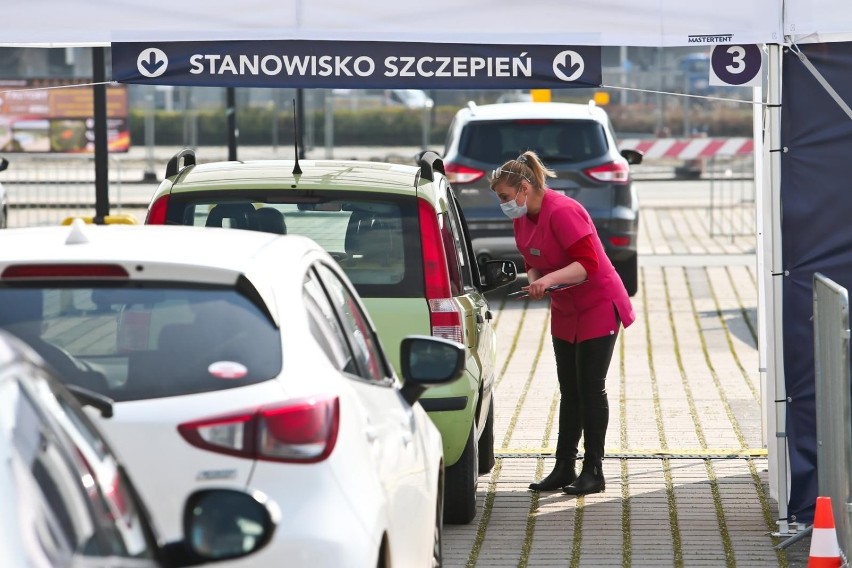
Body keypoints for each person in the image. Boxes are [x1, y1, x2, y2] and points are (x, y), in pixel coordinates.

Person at [490, 150, 635, 496]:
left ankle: (594, 470)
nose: (504, 204)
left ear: (525, 187)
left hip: (597, 302)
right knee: (570, 389)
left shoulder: (564, 211)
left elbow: (588, 264)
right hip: (566, 307)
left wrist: (547, 279)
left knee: (590, 386)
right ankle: (564, 466)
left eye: (505, 197)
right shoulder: (523, 217)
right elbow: (531, 260)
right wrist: (536, 280)